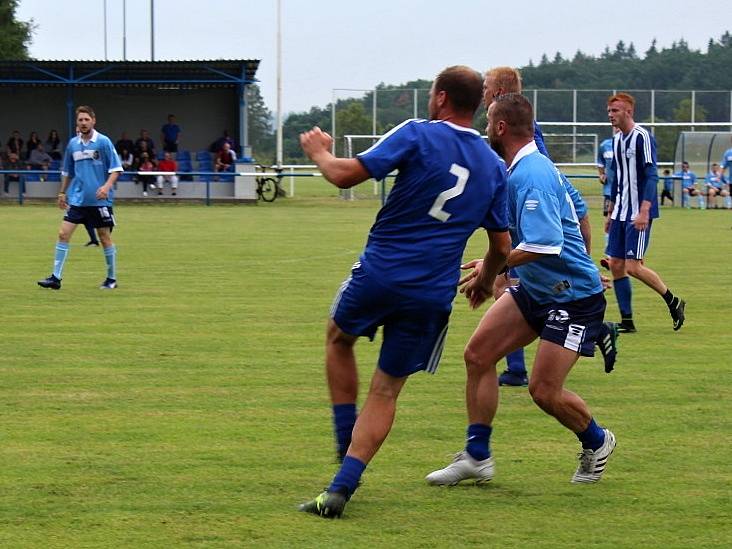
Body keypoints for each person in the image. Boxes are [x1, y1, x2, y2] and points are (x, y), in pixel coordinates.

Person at [298, 66, 511, 518]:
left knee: (338, 337)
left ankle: (343, 438)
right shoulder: (494, 165)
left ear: (439, 98)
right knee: (386, 391)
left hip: (380, 273)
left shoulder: (417, 134)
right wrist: (486, 278)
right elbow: (501, 245)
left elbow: (343, 175)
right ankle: (341, 488)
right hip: (432, 293)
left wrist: (319, 153)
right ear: (475, 107)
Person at [426, 93, 615, 488]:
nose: (484, 129)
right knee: (478, 355)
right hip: (536, 289)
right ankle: (477, 456)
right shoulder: (521, 169)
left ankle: (597, 441)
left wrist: (495, 266)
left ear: (500, 127)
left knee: (544, 390)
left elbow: (544, 244)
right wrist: (490, 264)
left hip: (574, 299)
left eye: (488, 122)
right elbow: (560, 223)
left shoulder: (532, 173)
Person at [481, 67, 617, 385]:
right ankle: (521, 364)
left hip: (544, 220)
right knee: (479, 350)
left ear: (500, 94)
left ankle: (520, 368)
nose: (482, 93)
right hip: (541, 225)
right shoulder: (517, 140)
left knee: (504, 284)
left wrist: (497, 260)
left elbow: (556, 209)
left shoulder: (527, 158)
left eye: (486, 87)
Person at [605, 93, 685, 333]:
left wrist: (645, 210)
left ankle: (673, 301)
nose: (611, 115)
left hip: (638, 213)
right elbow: (617, 178)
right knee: (616, 265)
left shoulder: (643, 138)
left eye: (615, 111)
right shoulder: (617, 140)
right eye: (609, 111)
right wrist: (610, 211)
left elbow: (651, 175)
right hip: (620, 212)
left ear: (628, 112)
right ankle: (627, 322)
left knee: (633, 266)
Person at [37, 105, 122, 290]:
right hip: (77, 200)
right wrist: (62, 192)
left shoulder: (104, 142)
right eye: (80, 120)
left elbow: (116, 169)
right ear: (77, 123)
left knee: (104, 237)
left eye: (86, 119)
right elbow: (67, 172)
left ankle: (111, 279)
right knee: (63, 233)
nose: (83, 123)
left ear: (93, 120)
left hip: (99, 201)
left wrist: (106, 187)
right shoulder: (73, 144)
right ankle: (55, 278)